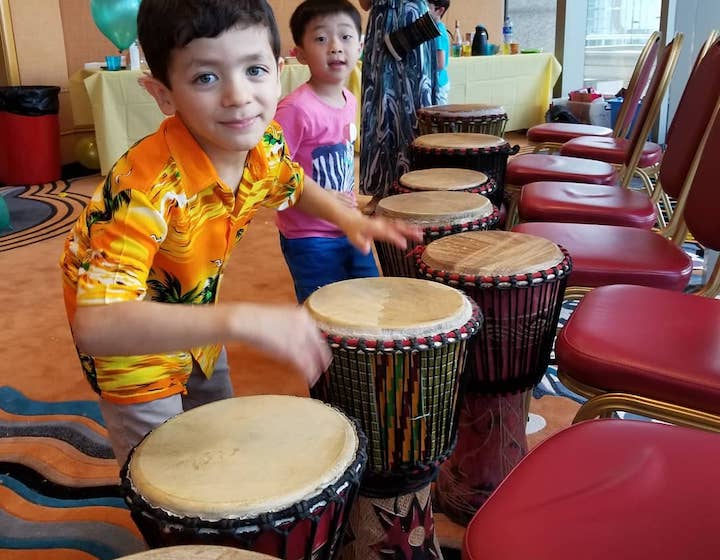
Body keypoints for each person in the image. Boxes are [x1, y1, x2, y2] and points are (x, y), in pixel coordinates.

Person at [59, 0, 420, 468]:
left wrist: (350, 219)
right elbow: (98, 326)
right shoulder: (143, 190)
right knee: (161, 467)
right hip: (130, 348)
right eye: (206, 77)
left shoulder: (264, 145)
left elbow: (293, 182)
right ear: (163, 94)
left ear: (279, 72)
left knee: (216, 429)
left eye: (254, 70)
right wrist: (241, 320)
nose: (237, 96)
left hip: (197, 310)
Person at [274, 0, 377, 303]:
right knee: (324, 308)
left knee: (371, 298)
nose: (335, 47)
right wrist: (321, 196)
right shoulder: (295, 109)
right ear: (300, 54)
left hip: (349, 224)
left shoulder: (349, 98)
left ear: (360, 46)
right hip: (309, 236)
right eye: (321, 38)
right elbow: (272, 172)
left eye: (345, 37)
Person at [358, 0, 437, 215]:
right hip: (381, 25)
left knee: (415, 106)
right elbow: (364, 4)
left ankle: (418, 186)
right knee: (379, 107)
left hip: (414, 24)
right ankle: (380, 189)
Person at [429, 0, 450, 105]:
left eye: (428, 7)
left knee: (437, 112)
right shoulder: (436, 28)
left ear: (440, 10)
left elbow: (440, 64)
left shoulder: (437, 31)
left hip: (439, 84)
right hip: (438, 82)